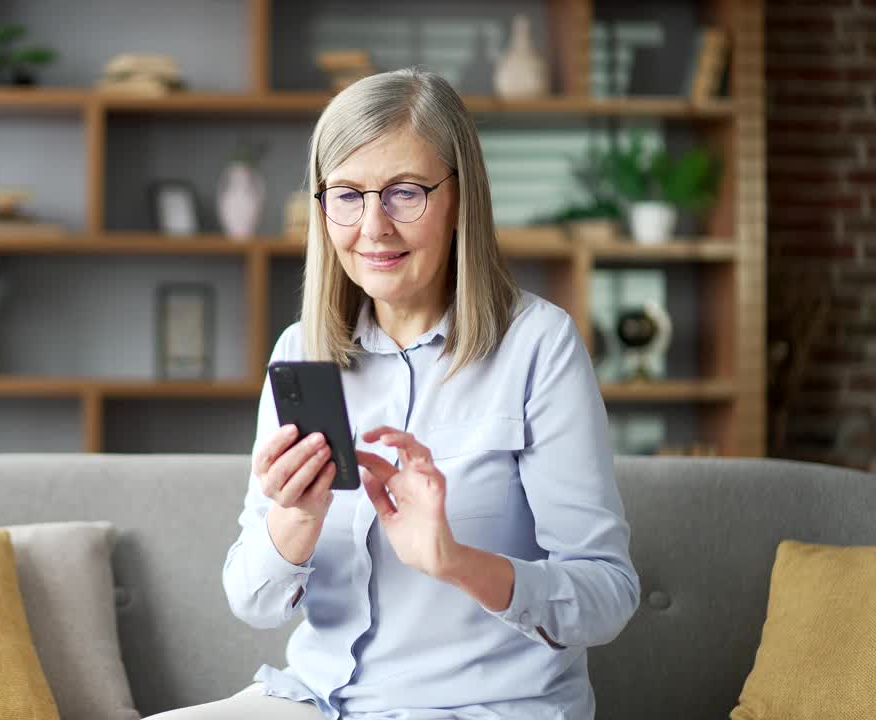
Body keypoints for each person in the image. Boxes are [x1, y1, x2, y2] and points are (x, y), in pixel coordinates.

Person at [147, 67, 640, 720]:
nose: (373, 227)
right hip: (315, 700)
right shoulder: (302, 351)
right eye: (347, 195)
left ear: (461, 196)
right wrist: (294, 520)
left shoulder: (537, 346)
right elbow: (252, 600)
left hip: (485, 708)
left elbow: (607, 595)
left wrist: (457, 562)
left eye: (405, 192)